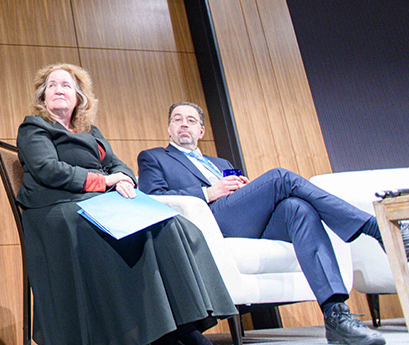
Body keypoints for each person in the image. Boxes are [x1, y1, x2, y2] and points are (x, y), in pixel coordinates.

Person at [16, 64, 236, 345]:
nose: (59, 89)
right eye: (52, 85)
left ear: (79, 97)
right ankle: (158, 333)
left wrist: (124, 180)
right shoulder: (35, 126)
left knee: (172, 224)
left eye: (66, 85)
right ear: (42, 96)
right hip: (57, 207)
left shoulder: (90, 130)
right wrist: (105, 181)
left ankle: (182, 325)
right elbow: (48, 169)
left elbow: (117, 164)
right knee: (133, 231)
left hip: (94, 201)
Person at [138, 102, 387, 345]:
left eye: (190, 121)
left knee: (298, 209)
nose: (183, 124)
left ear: (201, 131)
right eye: (177, 120)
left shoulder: (220, 163)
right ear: (169, 128)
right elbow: (155, 198)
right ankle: (375, 228)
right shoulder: (154, 158)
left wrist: (244, 192)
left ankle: (336, 315)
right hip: (208, 224)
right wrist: (208, 192)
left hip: (240, 220)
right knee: (280, 177)